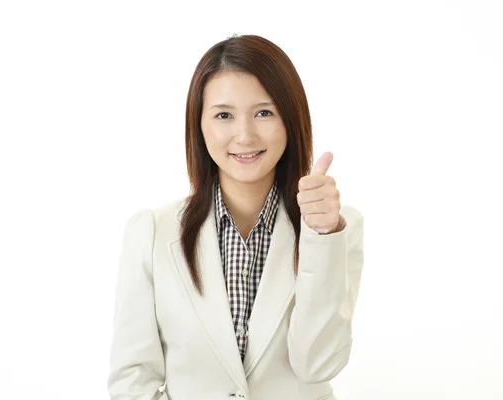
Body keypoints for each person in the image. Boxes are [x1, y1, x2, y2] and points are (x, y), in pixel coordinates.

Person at [107, 34, 365, 400]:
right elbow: (132, 380)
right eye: (224, 115)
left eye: (264, 112)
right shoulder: (151, 233)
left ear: (290, 120)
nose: (244, 136)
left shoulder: (337, 228)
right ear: (200, 125)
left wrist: (321, 237)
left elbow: (317, 365)